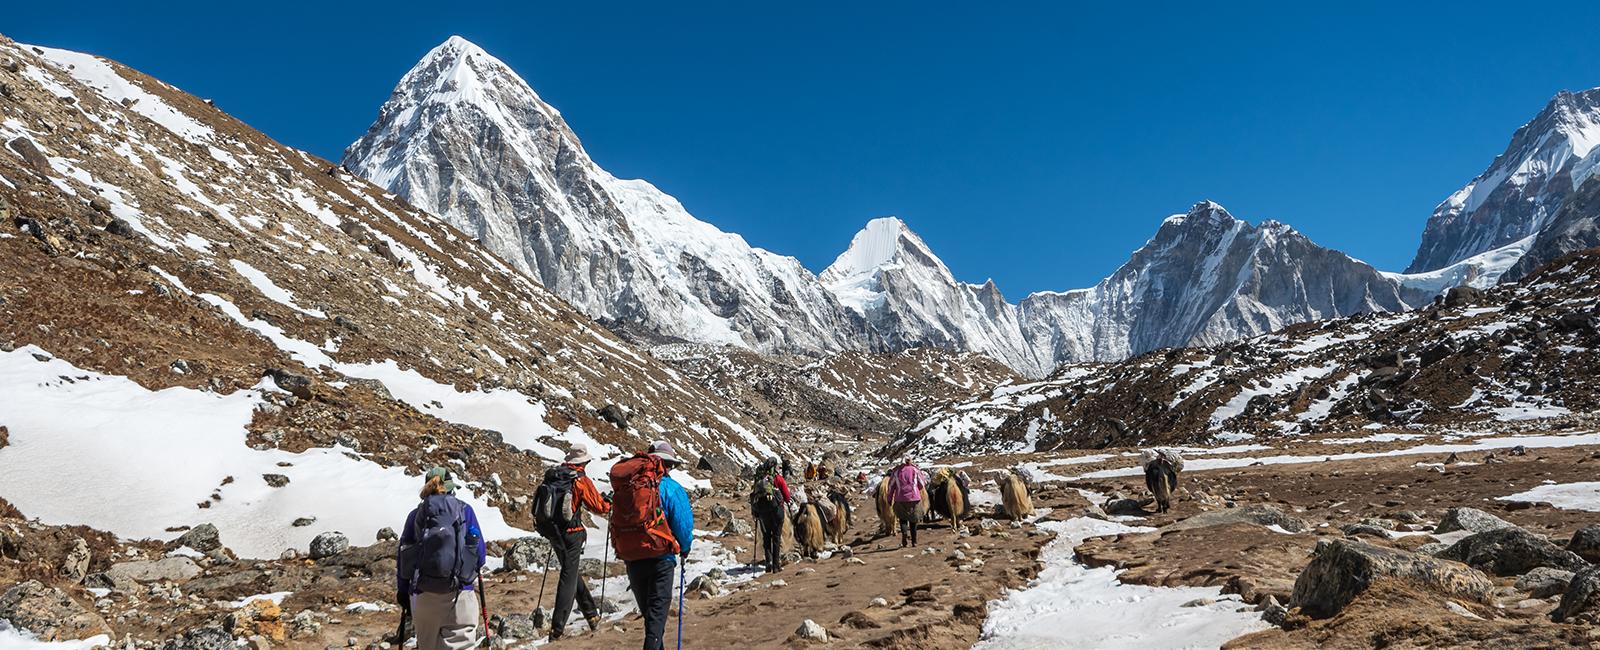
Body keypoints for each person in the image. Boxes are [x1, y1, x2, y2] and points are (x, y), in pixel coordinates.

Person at [397, 467, 488, 650]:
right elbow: (480, 555)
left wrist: (403, 591)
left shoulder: (416, 516)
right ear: (450, 488)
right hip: (460, 595)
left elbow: (404, 557)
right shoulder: (465, 511)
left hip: (423, 598)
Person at [617, 441, 694, 650]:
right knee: (655, 622)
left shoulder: (632, 487)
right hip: (661, 560)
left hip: (633, 557)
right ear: (668, 465)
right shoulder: (671, 488)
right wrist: (685, 548)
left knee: (651, 620)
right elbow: (683, 526)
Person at [536, 445, 611, 640]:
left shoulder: (553, 476)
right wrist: (609, 501)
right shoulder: (580, 480)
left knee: (571, 572)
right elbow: (599, 507)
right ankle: (557, 629)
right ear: (583, 462)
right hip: (572, 534)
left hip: (554, 533)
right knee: (568, 577)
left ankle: (591, 615)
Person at [749, 458, 791, 573]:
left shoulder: (759, 479)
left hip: (763, 512)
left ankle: (768, 563)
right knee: (776, 537)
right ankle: (776, 566)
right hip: (777, 511)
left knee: (766, 537)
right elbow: (787, 496)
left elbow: (753, 494)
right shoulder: (778, 478)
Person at [888, 457, 925, 548]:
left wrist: (889, 498)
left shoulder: (896, 471)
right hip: (914, 499)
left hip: (900, 499)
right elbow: (922, 483)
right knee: (913, 520)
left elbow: (891, 486)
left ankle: (904, 534)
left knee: (902, 519)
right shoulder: (915, 470)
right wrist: (916, 489)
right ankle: (914, 541)